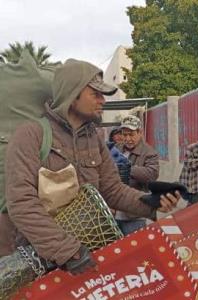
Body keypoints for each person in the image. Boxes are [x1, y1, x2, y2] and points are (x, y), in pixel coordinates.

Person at [0, 59, 179, 274]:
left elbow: (112, 190)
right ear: (72, 95)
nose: (102, 100)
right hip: (32, 261)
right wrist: (66, 250)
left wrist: (151, 202)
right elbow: (21, 203)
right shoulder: (31, 135)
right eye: (95, 94)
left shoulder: (93, 138)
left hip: (79, 254)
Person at [115, 115, 160, 235]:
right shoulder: (116, 149)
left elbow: (152, 174)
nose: (128, 139)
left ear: (140, 133)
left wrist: (128, 168)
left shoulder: (149, 152)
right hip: (113, 213)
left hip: (135, 214)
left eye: (131, 135)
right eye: (125, 135)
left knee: (135, 251)